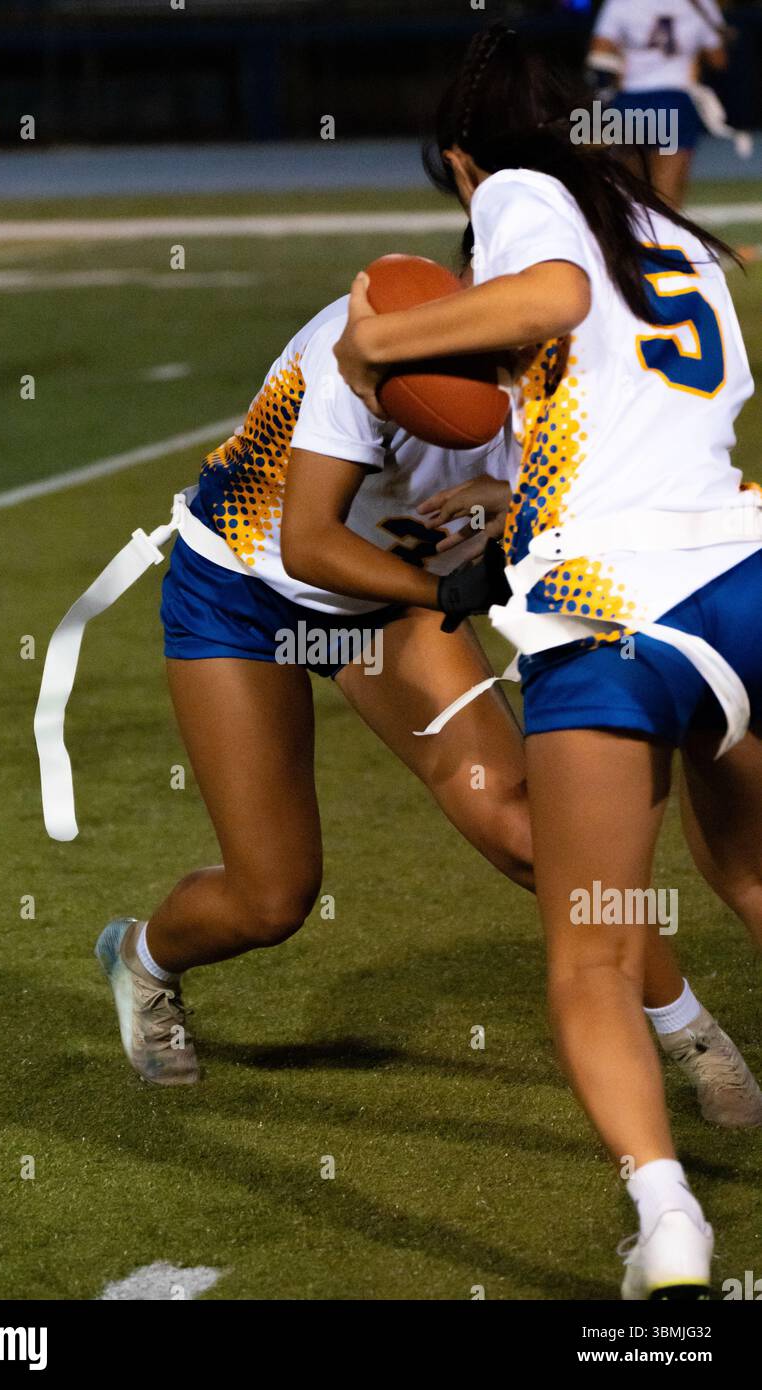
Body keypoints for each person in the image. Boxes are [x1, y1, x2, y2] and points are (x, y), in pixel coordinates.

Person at [92, 258, 761, 1136]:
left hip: (389, 604)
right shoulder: (365, 342)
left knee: (531, 833)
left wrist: (515, 513)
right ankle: (141, 957)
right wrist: (453, 592)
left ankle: (690, 1033)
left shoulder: (571, 366)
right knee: (273, 896)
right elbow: (309, 545)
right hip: (242, 592)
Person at [333, 22, 762, 1298]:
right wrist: (505, 494)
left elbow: (552, 303)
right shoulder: (666, 231)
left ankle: (667, 1219)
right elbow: (639, 409)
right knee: (750, 876)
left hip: (612, 610)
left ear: (462, 161)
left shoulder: (517, 196)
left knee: (589, 950)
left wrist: (381, 345)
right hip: (738, 578)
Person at [587, 0, 728, 207]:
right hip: (674, 101)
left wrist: (623, 63)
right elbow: (718, 60)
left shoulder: (620, 3)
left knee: (631, 200)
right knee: (667, 203)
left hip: (629, 102)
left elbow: (598, 54)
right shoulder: (700, 4)